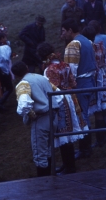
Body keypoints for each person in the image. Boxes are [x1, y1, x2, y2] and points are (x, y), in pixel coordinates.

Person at [37, 42, 87, 175]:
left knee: (62, 133)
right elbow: (73, 83)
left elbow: (51, 89)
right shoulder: (64, 64)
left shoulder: (49, 69)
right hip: (71, 98)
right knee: (67, 134)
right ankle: (67, 164)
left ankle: (70, 167)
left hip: (60, 101)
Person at [11, 61, 59, 177]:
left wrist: (31, 115)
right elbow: (57, 92)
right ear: (27, 68)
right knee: (48, 149)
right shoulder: (41, 77)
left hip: (41, 119)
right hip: (53, 116)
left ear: (16, 75)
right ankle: (51, 176)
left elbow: (23, 105)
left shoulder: (23, 83)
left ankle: (44, 182)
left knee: (40, 154)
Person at [61, 18, 97, 159]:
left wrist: (68, 85)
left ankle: (85, 149)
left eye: (64, 31)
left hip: (80, 84)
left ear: (70, 30)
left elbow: (71, 70)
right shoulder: (87, 41)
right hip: (89, 82)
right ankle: (85, 147)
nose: (62, 34)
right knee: (85, 114)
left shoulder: (73, 44)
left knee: (82, 116)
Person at [81, 26, 106, 146]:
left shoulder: (89, 49)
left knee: (98, 110)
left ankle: (101, 138)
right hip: (105, 75)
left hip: (96, 78)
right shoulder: (101, 46)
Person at [0, 32, 13, 109]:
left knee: (3, 86)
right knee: (9, 87)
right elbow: (6, 57)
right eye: (5, 37)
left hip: (0, 67)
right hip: (3, 68)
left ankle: (0, 100)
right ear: (2, 38)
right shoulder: (4, 47)